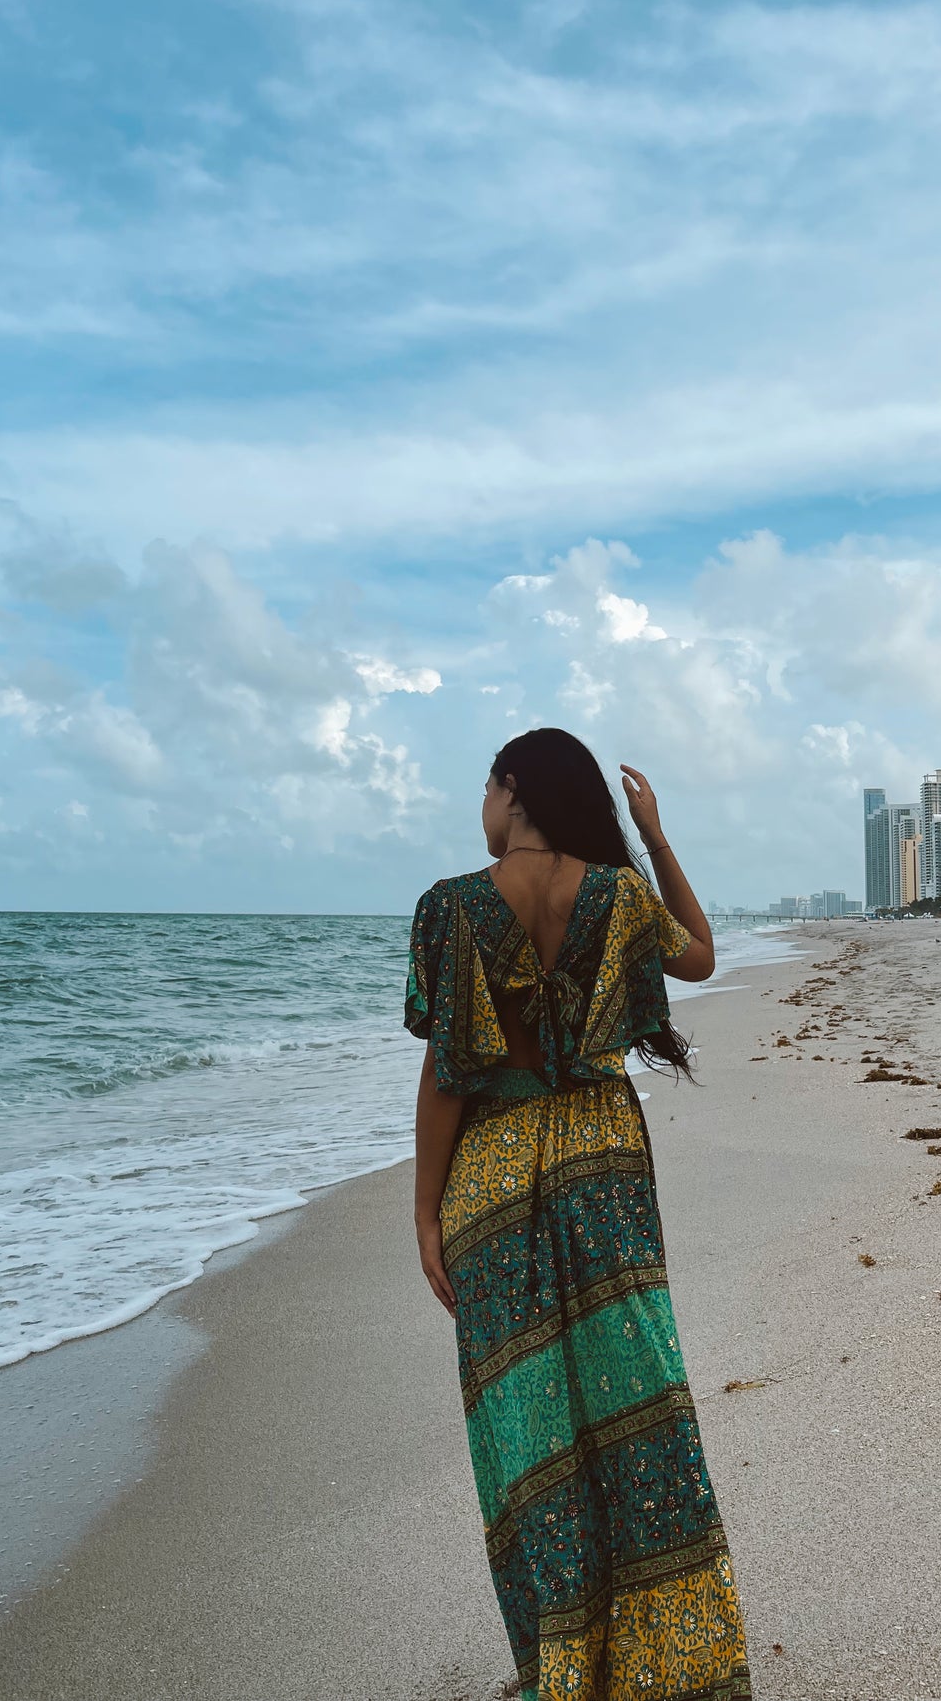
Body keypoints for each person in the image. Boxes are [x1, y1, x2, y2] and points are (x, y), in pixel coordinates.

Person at [406, 727, 751, 1701]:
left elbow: (446, 1072)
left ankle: (565, 1668)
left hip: (494, 1172)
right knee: (634, 1402)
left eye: (485, 785)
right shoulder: (619, 895)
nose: (479, 805)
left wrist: (425, 1211)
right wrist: (651, 837)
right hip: (601, 1159)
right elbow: (699, 957)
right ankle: (671, 1660)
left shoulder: (452, 908)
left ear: (513, 792)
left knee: (526, 1425)